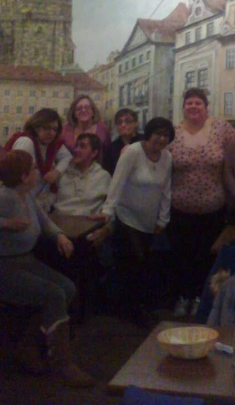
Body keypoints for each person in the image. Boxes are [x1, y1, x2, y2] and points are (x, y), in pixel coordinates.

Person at [0, 150, 94, 387]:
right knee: (54, 294)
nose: (38, 172)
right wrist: (4, 223)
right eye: (33, 169)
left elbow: (44, 220)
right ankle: (63, 363)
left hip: (26, 260)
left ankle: (27, 345)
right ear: (23, 176)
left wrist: (59, 235)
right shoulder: (3, 198)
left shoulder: (26, 195)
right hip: (5, 266)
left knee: (68, 288)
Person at [93, 117, 175, 328]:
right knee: (136, 263)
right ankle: (135, 311)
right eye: (157, 133)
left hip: (149, 221)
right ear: (148, 133)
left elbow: (166, 189)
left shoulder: (167, 157)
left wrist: (163, 218)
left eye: (166, 135)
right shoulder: (132, 152)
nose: (161, 138)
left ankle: (135, 306)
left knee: (143, 264)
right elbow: (117, 182)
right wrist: (108, 211)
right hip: (127, 217)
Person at [166, 87, 235, 318]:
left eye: (198, 103)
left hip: (214, 209)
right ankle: (183, 297)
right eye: (189, 103)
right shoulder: (173, 133)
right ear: (183, 107)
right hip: (180, 209)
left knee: (208, 258)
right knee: (181, 257)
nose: (194, 106)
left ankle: (202, 299)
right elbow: (154, 155)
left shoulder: (220, 128)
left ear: (206, 107)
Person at [5, 108, 72, 203]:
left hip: (38, 197)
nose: (52, 133)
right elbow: (21, 180)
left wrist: (56, 172)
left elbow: (67, 157)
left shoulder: (52, 143)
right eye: (47, 128)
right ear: (36, 127)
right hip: (21, 199)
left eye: (55, 129)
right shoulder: (26, 142)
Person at [53, 133, 111, 217]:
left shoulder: (103, 177)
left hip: (89, 222)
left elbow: (110, 207)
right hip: (59, 219)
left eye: (82, 146)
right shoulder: (63, 173)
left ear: (94, 153)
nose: (76, 150)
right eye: (76, 146)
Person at [101, 108, 143, 176]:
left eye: (127, 121)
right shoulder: (111, 148)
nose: (123, 125)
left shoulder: (145, 141)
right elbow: (108, 172)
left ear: (136, 123)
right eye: (119, 122)